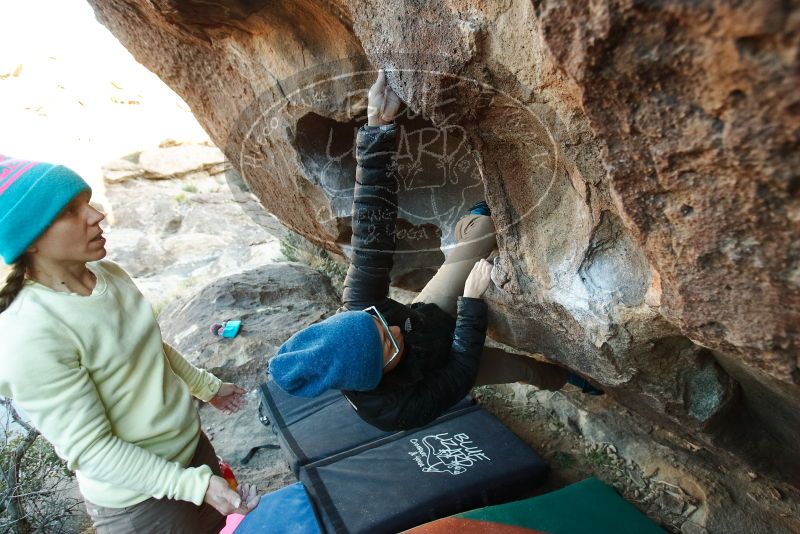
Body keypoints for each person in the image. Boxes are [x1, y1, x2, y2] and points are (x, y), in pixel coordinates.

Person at [269, 71, 602, 432]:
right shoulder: (392, 411)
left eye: (377, 322)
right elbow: (459, 374)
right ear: (373, 375)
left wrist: (377, 129)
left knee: (485, 230)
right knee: (522, 369)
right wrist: (472, 303)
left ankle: (465, 228)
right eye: (387, 345)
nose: (394, 328)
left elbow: (371, 232)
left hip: (428, 319)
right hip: (449, 363)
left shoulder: (361, 308)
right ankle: (566, 378)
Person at [0, 155, 259, 533]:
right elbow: (93, 451)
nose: (96, 215)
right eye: (72, 211)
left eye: (87, 202)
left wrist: (208, 388)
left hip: (192, 454)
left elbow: (149, 348)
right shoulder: (31, 333)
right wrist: (196, 486)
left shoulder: (108, 274)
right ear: (31, 238)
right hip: (140, 503)